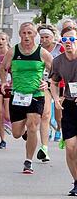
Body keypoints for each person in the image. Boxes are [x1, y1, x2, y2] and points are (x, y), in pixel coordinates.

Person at [0, 22, 54, 174]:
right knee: (16, 133)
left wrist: (48, 82)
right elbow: (3, 67)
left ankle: (28, 161)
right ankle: (25, 134)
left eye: (30, 33)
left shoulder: (42, 53)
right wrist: (4, 81)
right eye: (24, 33)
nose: (27, 36)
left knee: (32, 126)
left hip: (36, 95)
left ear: (35, 35)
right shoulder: (13, 51)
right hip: (17, 95)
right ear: (20, 35)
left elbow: (55, 70)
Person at [47, 28, 77, 195]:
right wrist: (56, 98)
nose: (68, 43)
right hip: (70, 106)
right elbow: (53, 81)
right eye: (65, 40)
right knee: (71, 147)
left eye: (72, 40)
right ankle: (76, 182)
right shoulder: (58, 61)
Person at [38, 24, 63, 159]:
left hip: (61, 83)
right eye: (42, 37)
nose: (44, 40)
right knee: (45, 114)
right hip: (46, 84)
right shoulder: (39, 50)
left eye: (47, 37)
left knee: (59, 112)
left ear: (53, 37)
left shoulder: (60, 47)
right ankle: (44, 148)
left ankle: (59, 128)